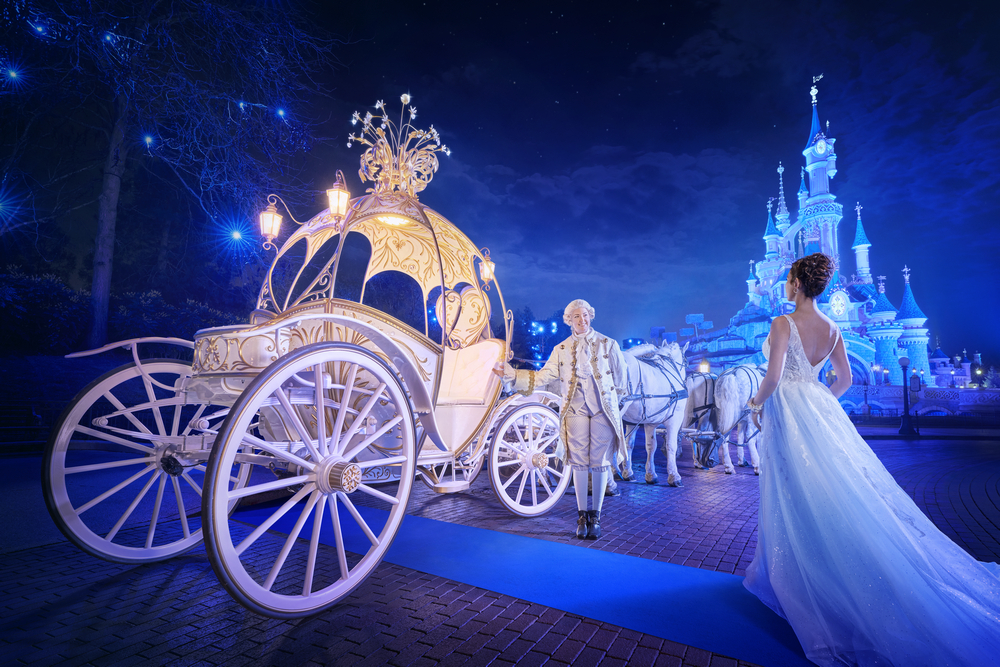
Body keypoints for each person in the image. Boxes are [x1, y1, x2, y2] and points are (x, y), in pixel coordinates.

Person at [744, 253, 1000, 667]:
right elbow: (843, 379)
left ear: (795, 283)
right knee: (833, 488)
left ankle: (797, 578)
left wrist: (754, 402)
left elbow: (772, 378)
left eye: (790, 279)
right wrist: (819, 401)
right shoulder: (832, 328)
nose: (787, 285)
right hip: (818, 409)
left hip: (787, 412)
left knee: (790, 489)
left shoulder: (782, 323)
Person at [496, 299, 628, 539]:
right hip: (575, 410)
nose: (582, 320)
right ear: (569, 321)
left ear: (591, 316)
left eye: (585, 315)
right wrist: (514, 375)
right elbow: (545, 376)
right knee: (578, 463)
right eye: (576, 316)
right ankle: (581, 516)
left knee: (599, 464)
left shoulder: (609, 345)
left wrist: (612, 403)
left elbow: (621, 380)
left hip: (602, 412)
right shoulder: (562, 349)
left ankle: (595, 516)